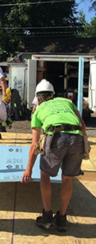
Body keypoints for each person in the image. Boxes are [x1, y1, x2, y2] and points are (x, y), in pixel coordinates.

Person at [21, 79, 86, 232]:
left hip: (56, 136)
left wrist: (28, 169)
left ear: (38, 98)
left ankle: (47, 217)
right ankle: (62, 219)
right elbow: (82, 125)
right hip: (76, 136)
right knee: (67, 178)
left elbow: (35, 144)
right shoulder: (66, 102)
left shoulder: (38, 110)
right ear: (53, 94)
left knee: (45, 174)